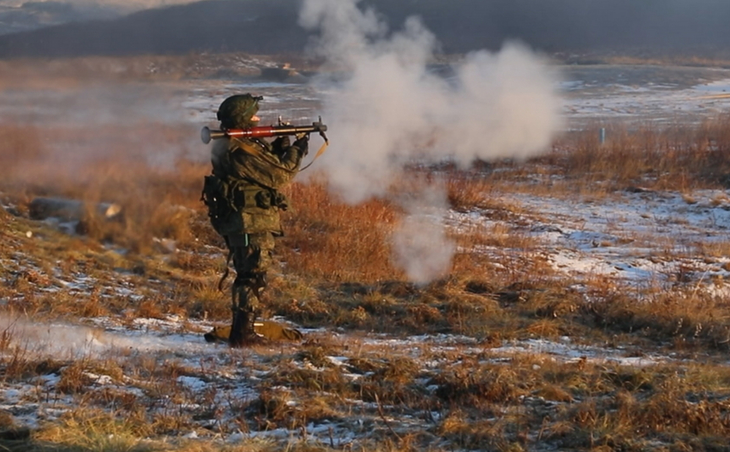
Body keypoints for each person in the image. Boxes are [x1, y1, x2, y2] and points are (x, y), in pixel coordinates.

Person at [201, 94, 308, 347]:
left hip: (246, 219)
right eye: (252, 116)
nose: (258, 118)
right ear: (242, 119)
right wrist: (297, 150)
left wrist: (279, 147)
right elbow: (279, 175)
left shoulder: (235, 144)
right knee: (252, 275)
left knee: (250, 273)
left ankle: (242, 331)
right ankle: (243, 335)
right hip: (248, 220)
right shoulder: (238, 149)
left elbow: (261, 168)